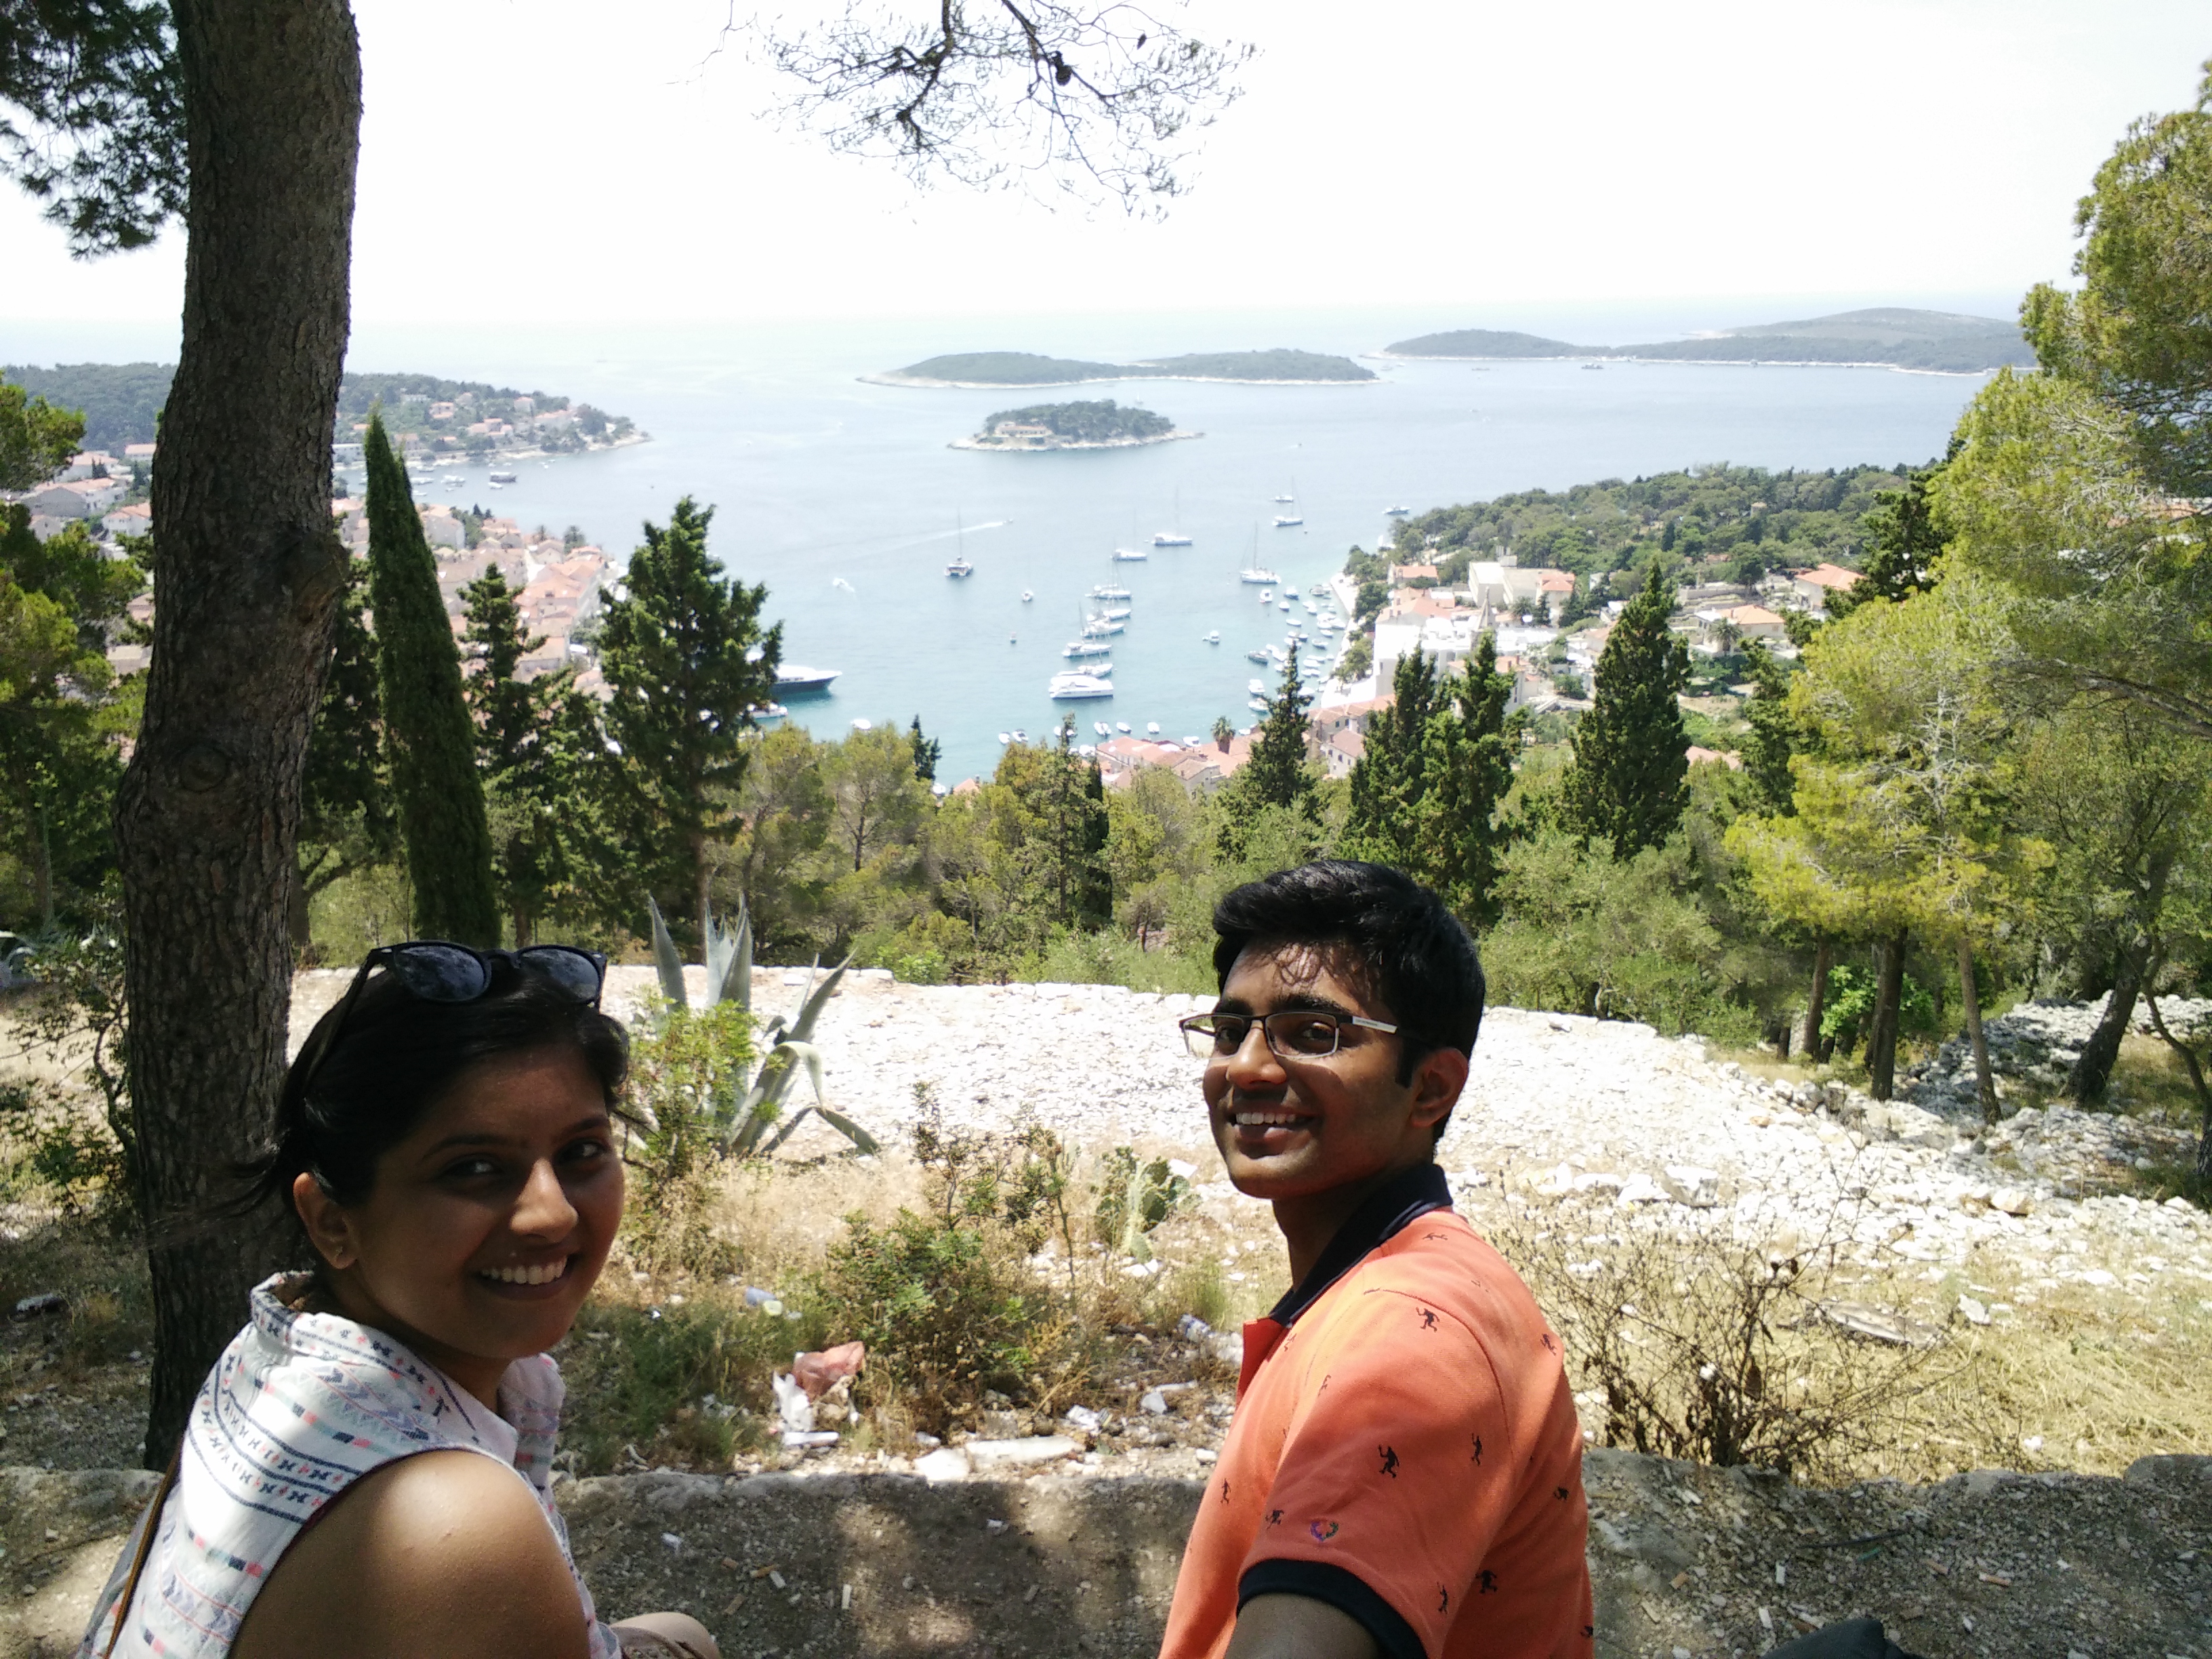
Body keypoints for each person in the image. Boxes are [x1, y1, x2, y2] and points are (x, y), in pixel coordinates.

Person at [77, 942, 720, 1659]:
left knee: (683, 1637)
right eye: (473, 1168)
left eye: (581, 1152)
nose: (553, 1215)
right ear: (332, 1222)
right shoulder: (452, 1521)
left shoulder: (276, 1344)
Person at [1159, 861, 1593, 1659]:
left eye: (1312, 1033)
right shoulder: (1378, 1284)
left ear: (1431, 1089)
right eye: (1231, 1030)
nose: (1247, 1068)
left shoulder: (1413, 1334)